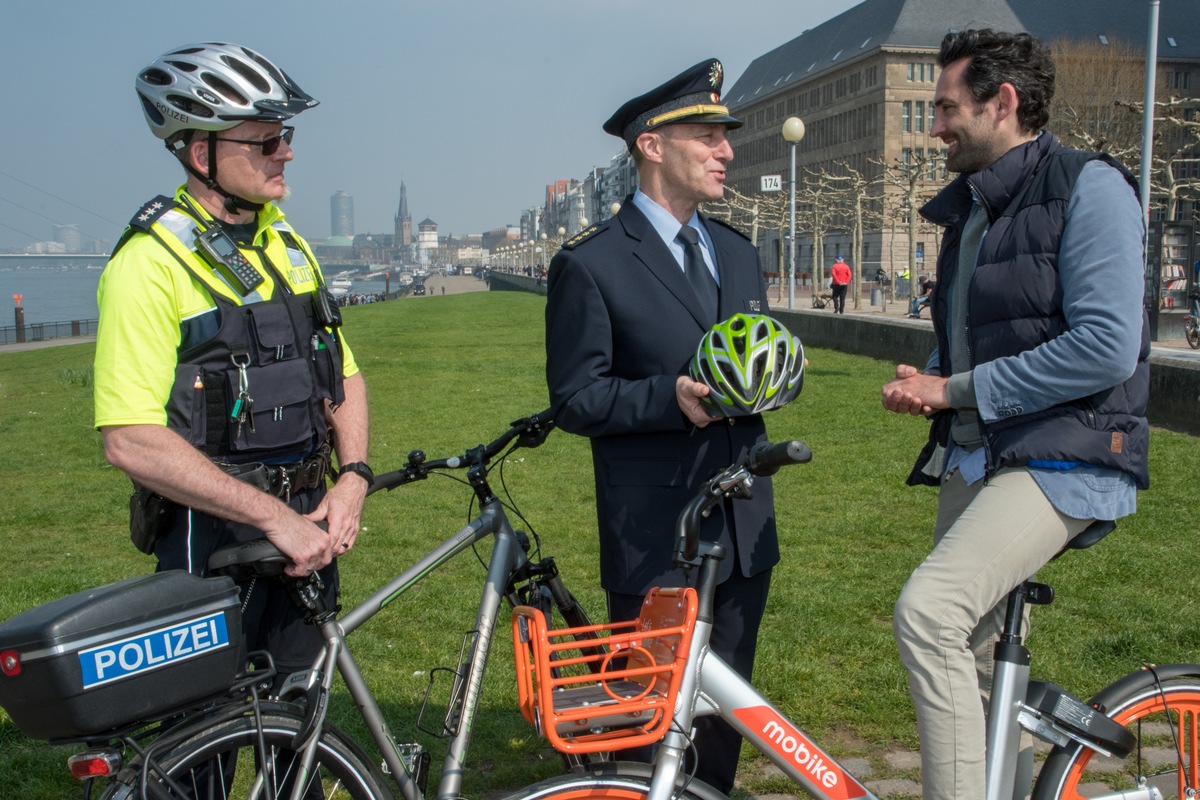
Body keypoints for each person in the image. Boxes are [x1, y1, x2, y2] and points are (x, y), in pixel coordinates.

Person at [881, 29, 1148, 800]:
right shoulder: (973, 211)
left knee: (930, 614)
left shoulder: (1088, 187)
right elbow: (984, 337)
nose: (934, 125)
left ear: (1004, 103)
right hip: (983, 455)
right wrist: (931, 376)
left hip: (1065, 455)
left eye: (945, 106)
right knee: (964, 652)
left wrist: (956, 390)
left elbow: (1104, 347)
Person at [95, 43, 372, 686]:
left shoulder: (287, 241)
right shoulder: (149, 263)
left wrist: (353, 476)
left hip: (309, 524)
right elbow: (130, 439)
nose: (287, 152)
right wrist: (273, 517)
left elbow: (343, 374)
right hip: (211, 538)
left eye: (287, 134)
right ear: (203, 154)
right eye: (267, 139)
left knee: (303, 728)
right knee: (205, 740)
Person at [545, 58, 778, 794]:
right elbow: (576, 399)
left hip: (744, 531)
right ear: (652, 145)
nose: (727, 151)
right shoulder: (593, 265)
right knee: (649, 731)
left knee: (724, 725)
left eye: (725, 137)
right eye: (709, 136)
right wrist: (666, 399)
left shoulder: (738, 253)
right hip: (658, 537)